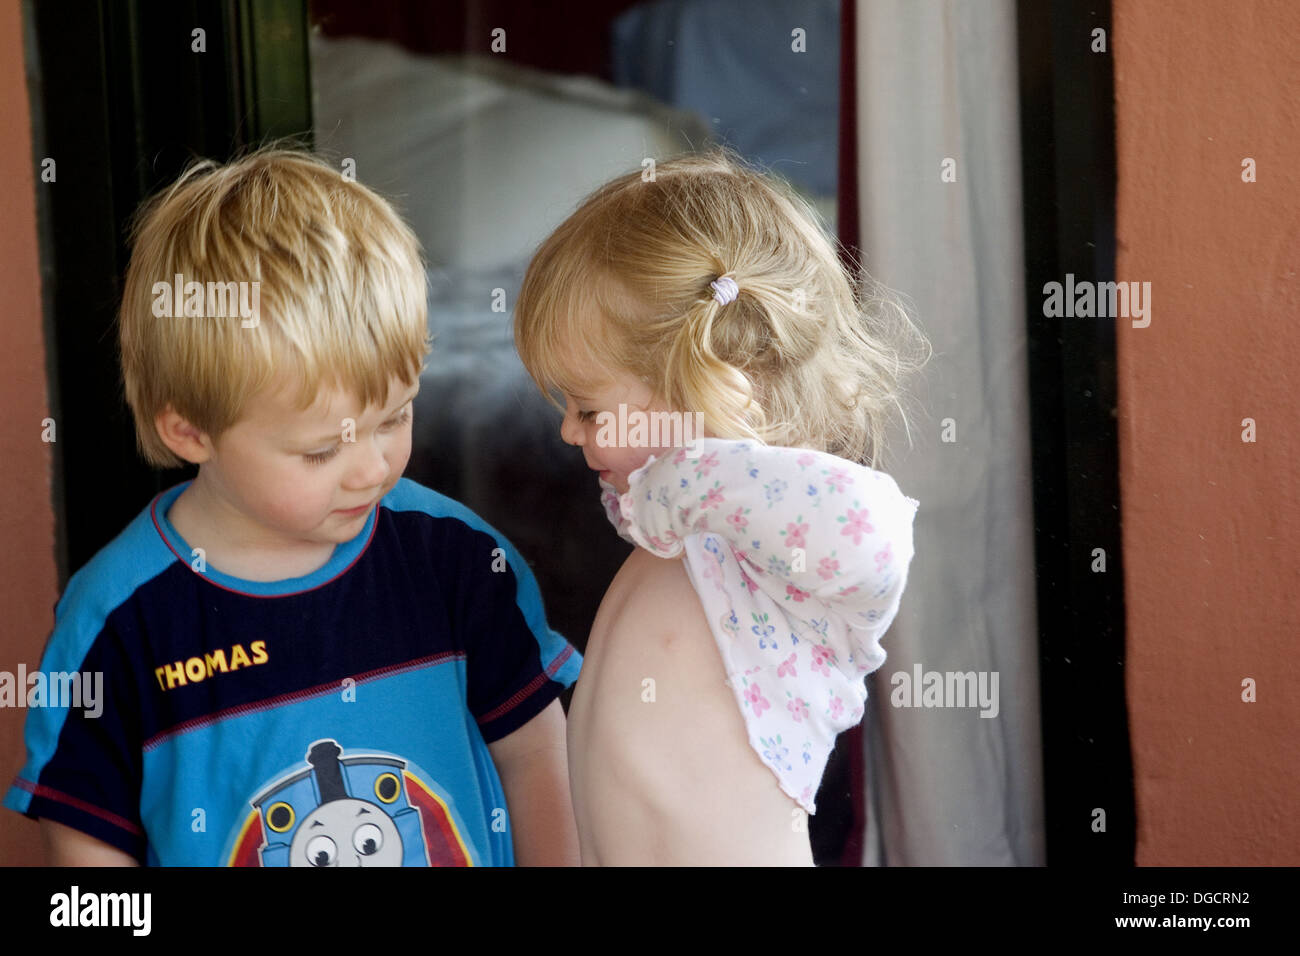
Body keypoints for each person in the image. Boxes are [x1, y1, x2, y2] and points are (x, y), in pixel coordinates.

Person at [3, 147, 582, 867]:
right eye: (319, 453)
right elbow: (85, 848)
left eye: (395, 418)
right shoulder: (118, 623)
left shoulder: (459, 560)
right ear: (189, 430)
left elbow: (536, 756)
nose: (372, 469)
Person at [513, 149, 930, 865]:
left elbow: (875, 534)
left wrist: (693, 467)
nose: (567, 431)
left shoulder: (783, 557)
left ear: (708, 387)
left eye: (586, 407)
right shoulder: (691, 535)